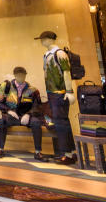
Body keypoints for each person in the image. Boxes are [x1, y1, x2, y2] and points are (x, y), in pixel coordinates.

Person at [36, 30, 78, 164]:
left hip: (60, 92)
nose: (42, 42)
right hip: (52, 93)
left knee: (61, 123)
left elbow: (66, 73)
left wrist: (69, 91)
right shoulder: (46, 55)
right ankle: (69, 152)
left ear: (49, 39)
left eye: (43, 39)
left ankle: (67, 153)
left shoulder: (59, 54)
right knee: (61, 123)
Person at [0, 67, 47, 161]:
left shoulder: (33, 90)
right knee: (2, 122)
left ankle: (38, 152)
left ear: (26, 75)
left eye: (23, 75)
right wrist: (9, 111)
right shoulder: (5, 87)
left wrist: (28, 114)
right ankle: (0, 149)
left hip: (26, 116)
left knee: (36, 123)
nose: (21, 77)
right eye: (18, 75)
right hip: (11, 116)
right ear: (14, 75)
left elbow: (37, 106)